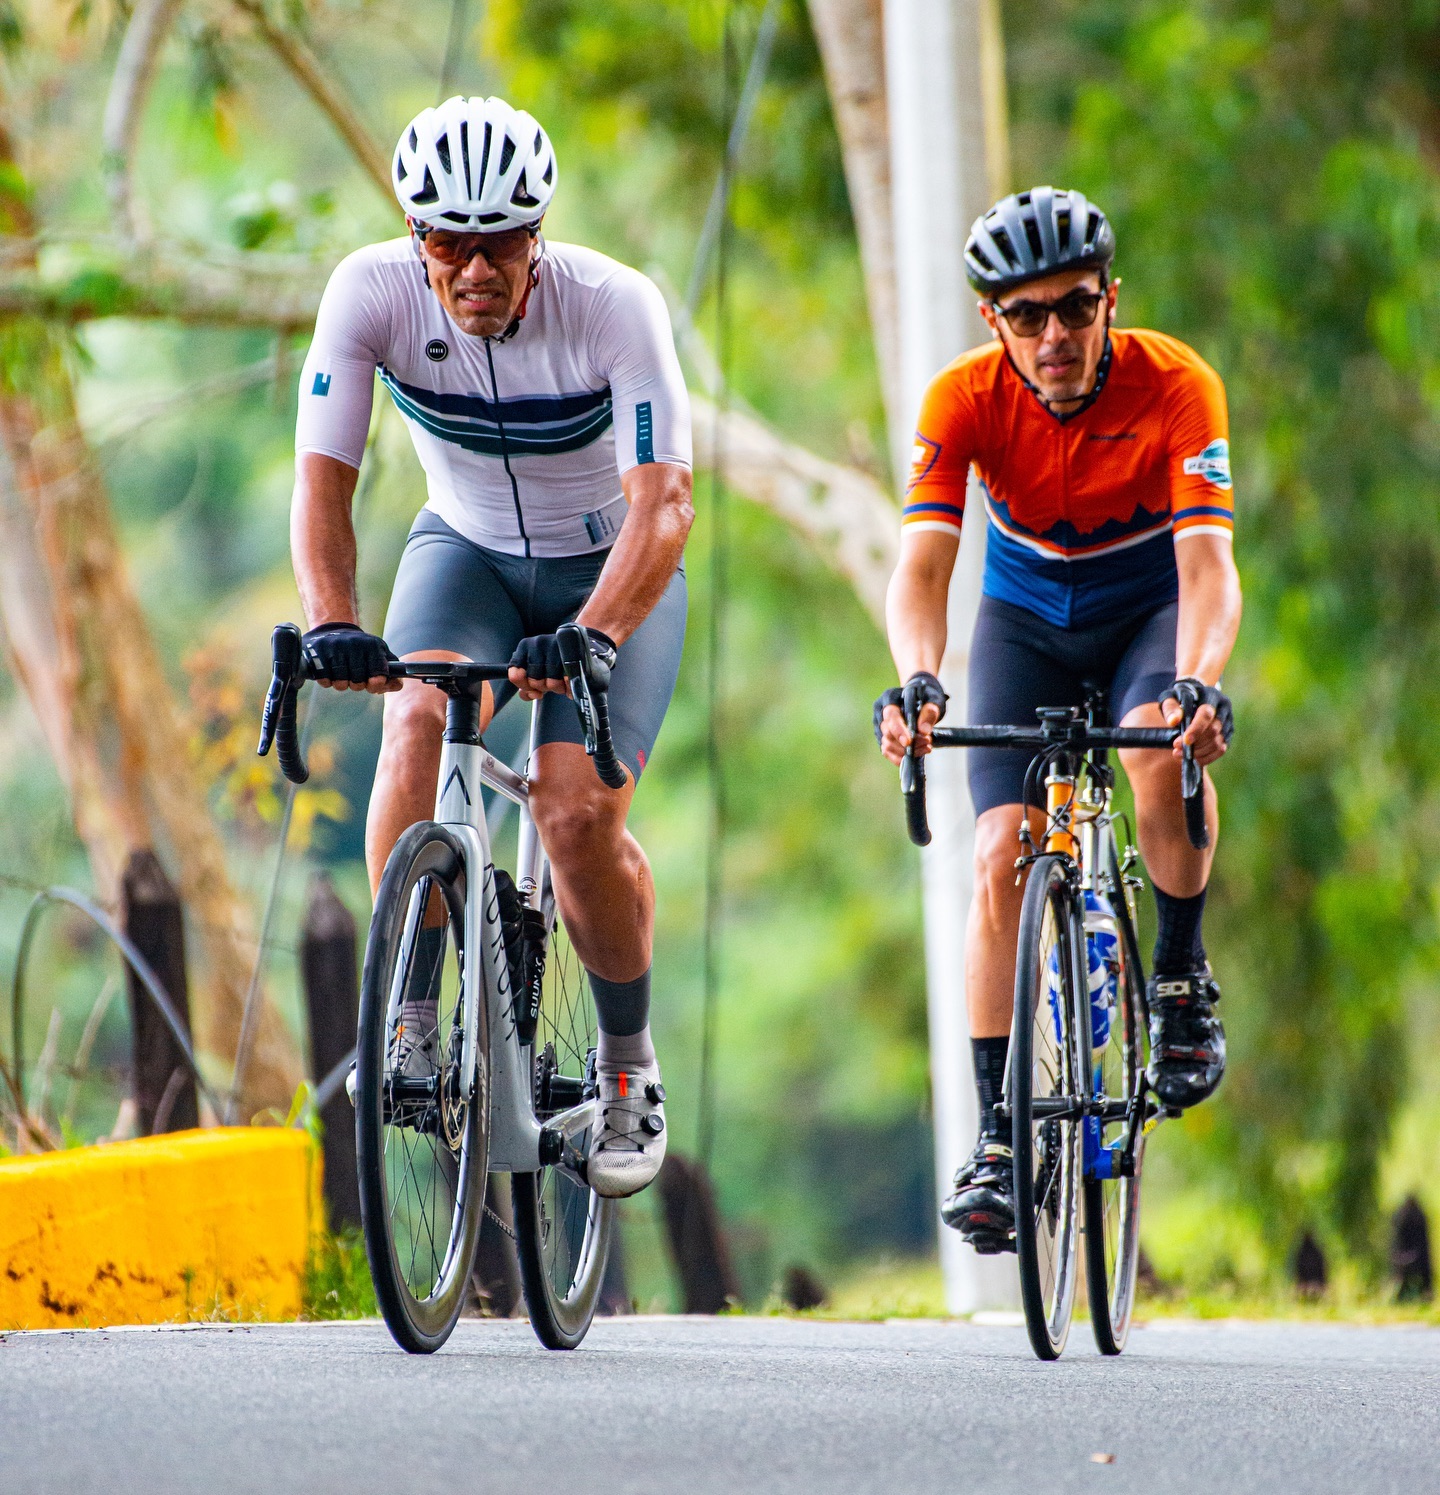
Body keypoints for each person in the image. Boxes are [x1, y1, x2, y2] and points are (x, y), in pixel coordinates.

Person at [290, 95, 692, 1199]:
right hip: (461, 549)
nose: (474, 265)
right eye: (448, 241)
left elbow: (664, 505)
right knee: (413, 714)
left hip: (610, 569)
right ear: (416, 238)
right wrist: (332, 618)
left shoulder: (616, 306)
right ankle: (410, 1013)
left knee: (572, 814)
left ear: (537, 234)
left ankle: (624, 1068)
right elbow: (324, 481)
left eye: (500, 240)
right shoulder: (366, 292)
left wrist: (595, 634)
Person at [875, 187, 1240, 1252]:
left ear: (1109, 300)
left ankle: (1177, 978)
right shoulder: (960, 399)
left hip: (1148, 608)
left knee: (1156, 753)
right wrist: (918, 677)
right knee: (998, 851)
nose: (1054, 337)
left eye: (1075, 309)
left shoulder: (1180, 385)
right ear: (993, 321)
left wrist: (1201, 681)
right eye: (1025, 316)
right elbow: (925, 567)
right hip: (1027, 623)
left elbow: (1209, 567)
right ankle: (996, 1136)